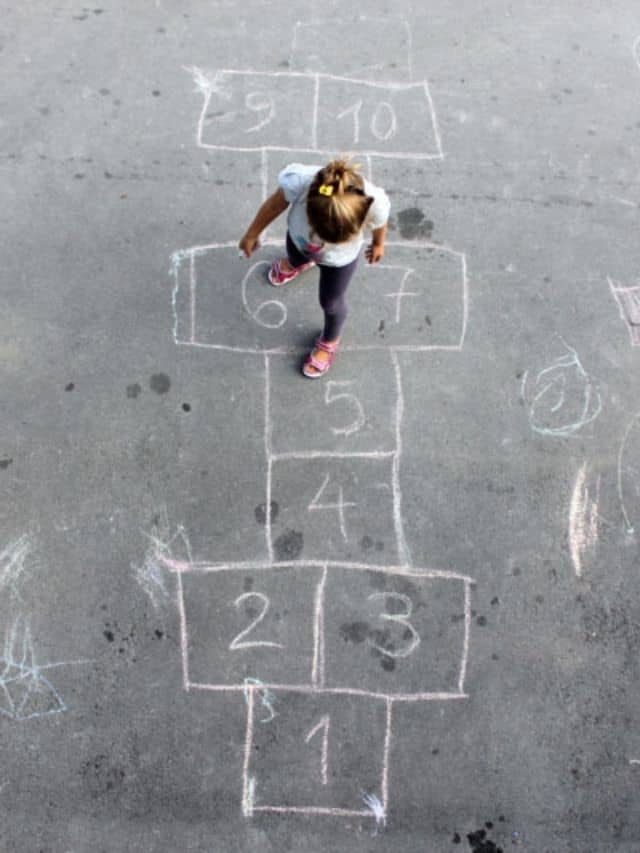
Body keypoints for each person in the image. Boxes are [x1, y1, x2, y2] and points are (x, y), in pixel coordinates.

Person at [238, 159, 390, 377]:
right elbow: (275, 204)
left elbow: (381, 222)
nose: (323, 240)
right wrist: (252, 233)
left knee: (331, 302)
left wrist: (378, 244)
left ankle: (330, 339)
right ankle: (296, 264)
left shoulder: (372, 201)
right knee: (295, 256)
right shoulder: (300, 182)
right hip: (300, 241)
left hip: (339, 260)